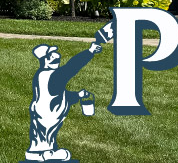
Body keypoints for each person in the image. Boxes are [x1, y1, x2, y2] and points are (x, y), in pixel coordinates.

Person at [24, 22, 113, 162]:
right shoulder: (51, 76)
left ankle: (41, 152)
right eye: (52, 54)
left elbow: (58, 95)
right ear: (46, 60)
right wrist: (89, 52)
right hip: (47, 115)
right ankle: (42, 153)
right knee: (46, 137)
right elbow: (70, 68)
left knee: (44, 136)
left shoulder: (43, 75)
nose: (56, 55)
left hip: (43, 112)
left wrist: (78, 95)